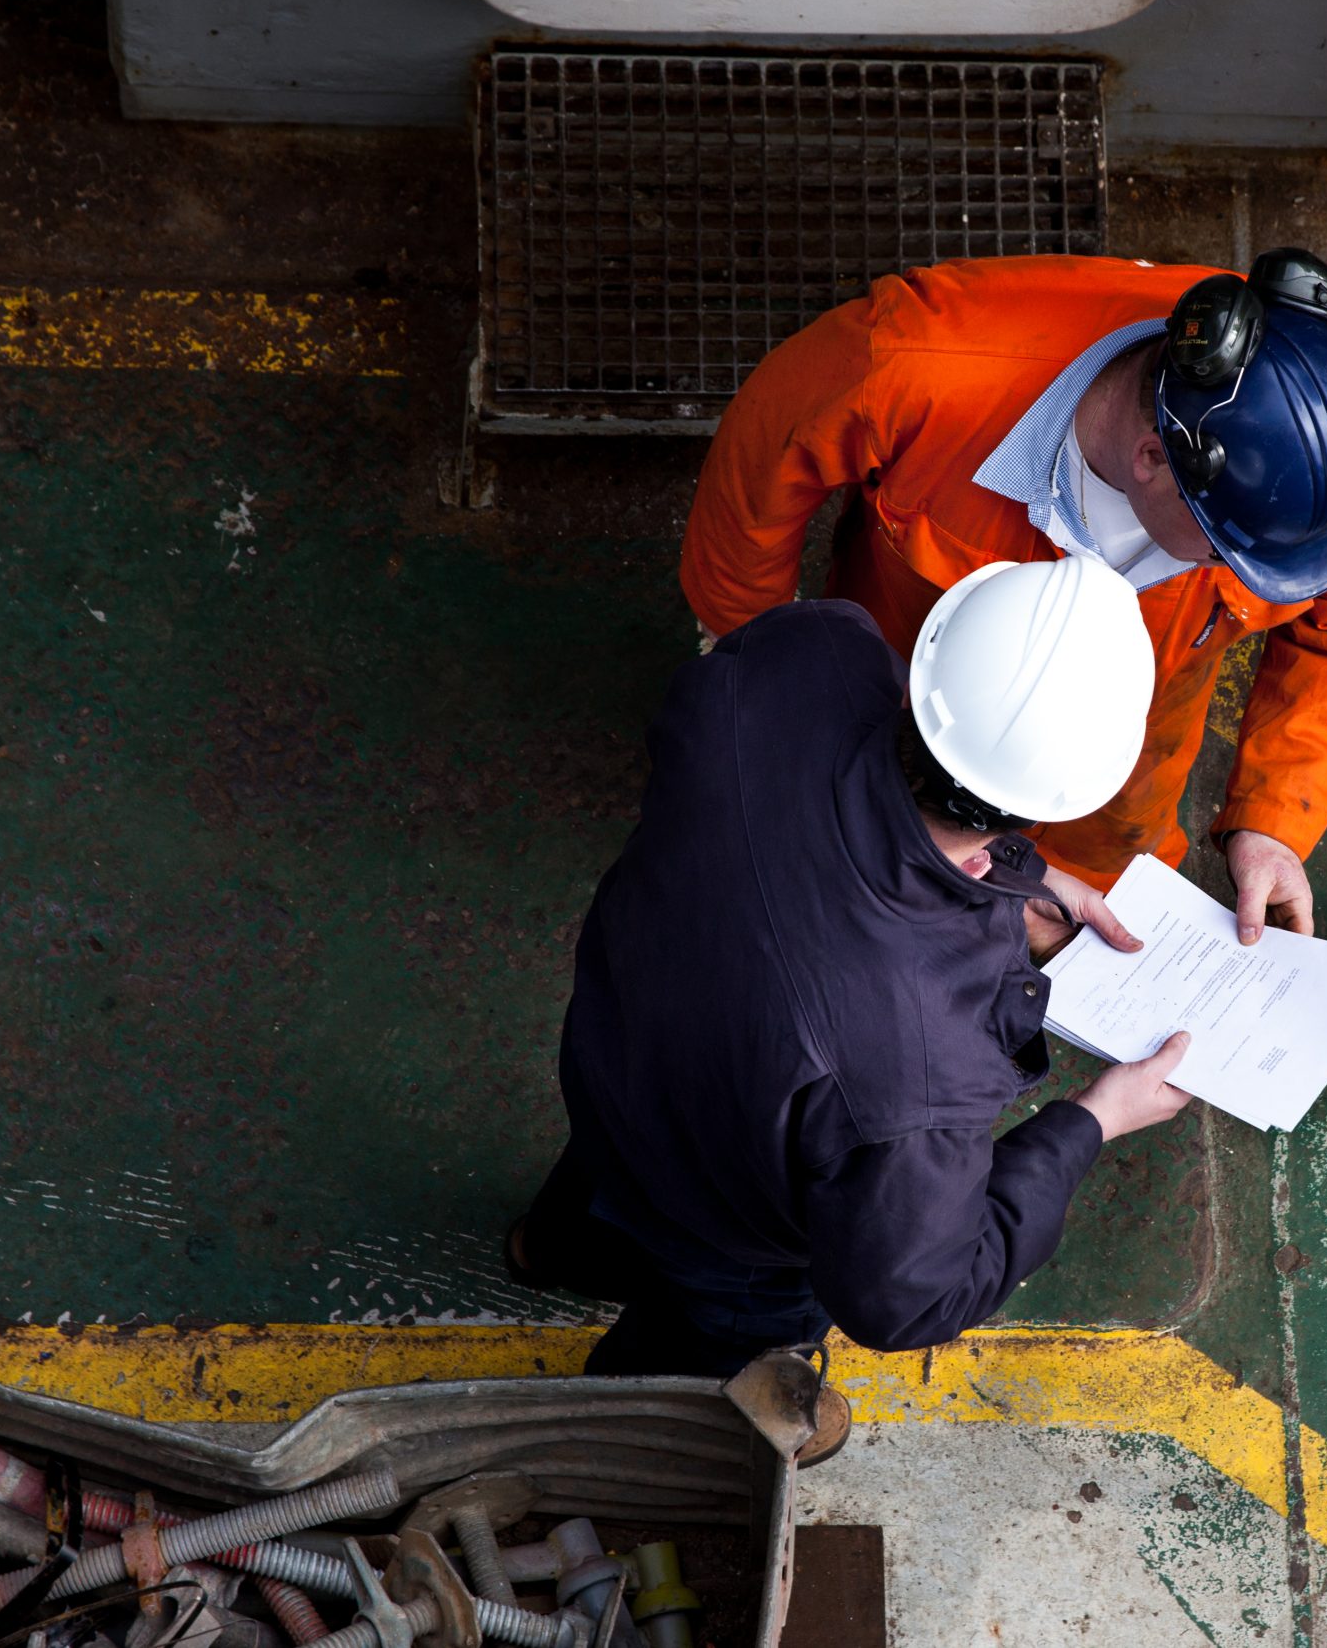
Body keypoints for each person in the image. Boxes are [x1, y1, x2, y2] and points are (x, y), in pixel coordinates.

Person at [508, 557, 1196, 1404]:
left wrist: (1008, 880)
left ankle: (538, 1253)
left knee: (591, 1206)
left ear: (920, 676)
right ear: (1064, 799)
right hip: (736, 1239)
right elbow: (909, 1298)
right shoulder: (921, 1063)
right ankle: (618, 1419)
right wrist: (1092, 1120)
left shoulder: (808, 651)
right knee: (676, 1380)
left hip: (614, 1073)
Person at [681, 248, 1327, 947]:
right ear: (1153, 458)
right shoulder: (909, 364)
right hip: (913, 723)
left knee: (1092, 919)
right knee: (859, 897)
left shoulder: (1326, 453)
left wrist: (1272, 820)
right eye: (1225, 552)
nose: (1239, 572)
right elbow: (754, 486)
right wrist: (773, 693)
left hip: (1119, 801)